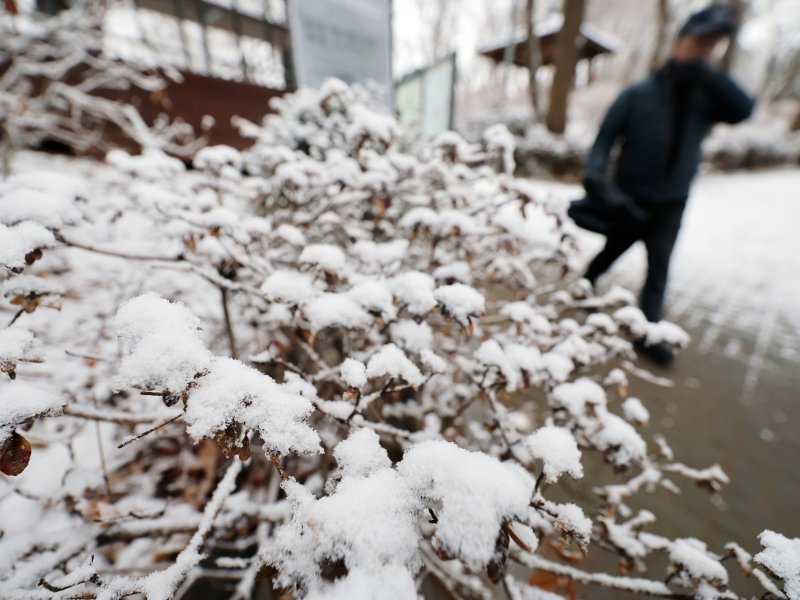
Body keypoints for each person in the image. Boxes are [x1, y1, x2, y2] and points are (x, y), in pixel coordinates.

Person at [582, 4, 754, 365]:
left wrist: (707, 74)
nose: (703, 49)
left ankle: (648, 332)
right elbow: (604, 139)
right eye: (698, 42)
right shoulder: (638, 95)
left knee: (658, 270)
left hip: (671, 204)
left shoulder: (704, 97)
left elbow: (743, 110)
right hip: (630, 200)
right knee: (611, 252)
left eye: (711, 45)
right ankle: (586, 284)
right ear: (679, 42)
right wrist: (595, 175)